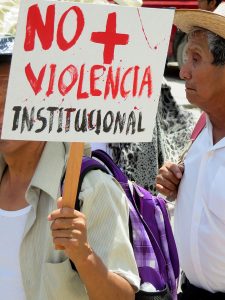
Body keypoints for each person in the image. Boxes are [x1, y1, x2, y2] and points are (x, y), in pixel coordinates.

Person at [0, 33, 140, 300]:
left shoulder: (90, 188)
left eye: (13, 99)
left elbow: (122, 296)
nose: (2, 110)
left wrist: (84, 255)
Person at [156, 3, 225, 299]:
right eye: (185, 58)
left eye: (196, 59)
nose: (183, 72)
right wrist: (176, 188)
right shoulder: (199, 130)